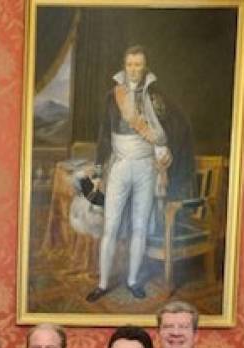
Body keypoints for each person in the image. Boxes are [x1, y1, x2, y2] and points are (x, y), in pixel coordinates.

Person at [87, 44, 193, 301]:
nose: (134, 69)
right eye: (130, 64)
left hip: (146, 167)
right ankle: (102, 283)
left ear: (145, 66)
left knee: (140, 227)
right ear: (125, 66)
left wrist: (165, 151)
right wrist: (99, 170)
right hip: (120, 165)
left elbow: (171, 129)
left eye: (138, 65)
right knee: (110, 227)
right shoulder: (113, 96)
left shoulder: (157, 97)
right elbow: (103, 136)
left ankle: (133, 280)